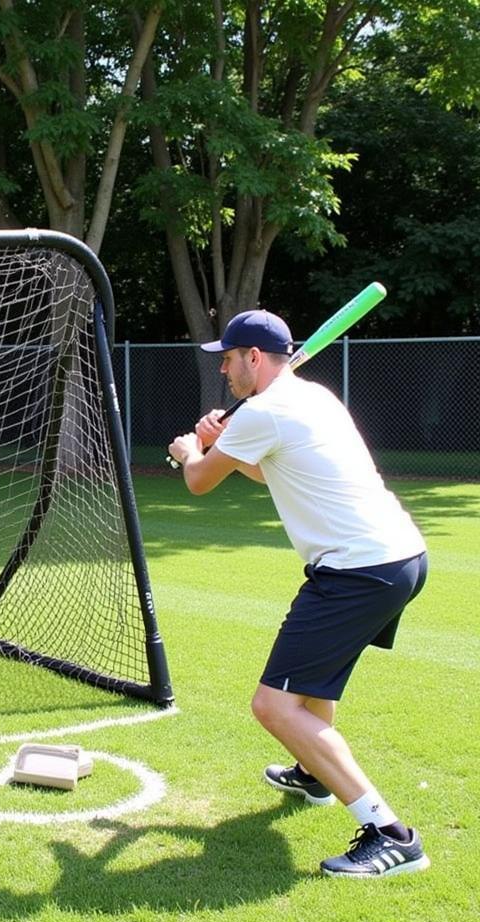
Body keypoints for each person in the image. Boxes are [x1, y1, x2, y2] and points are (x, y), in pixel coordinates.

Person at [168, 308, 429, 878]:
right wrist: (223, 443)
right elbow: (274, 468)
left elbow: (198, 481)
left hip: (358, 572)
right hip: (395, 557)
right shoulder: (311, 397)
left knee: (274, 704)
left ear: (254, 359)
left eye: (230, 361)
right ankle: (313, 772)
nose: (226, 373)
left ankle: (393, 834)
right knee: (310, 685)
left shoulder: (263, 411)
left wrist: (193, 449)